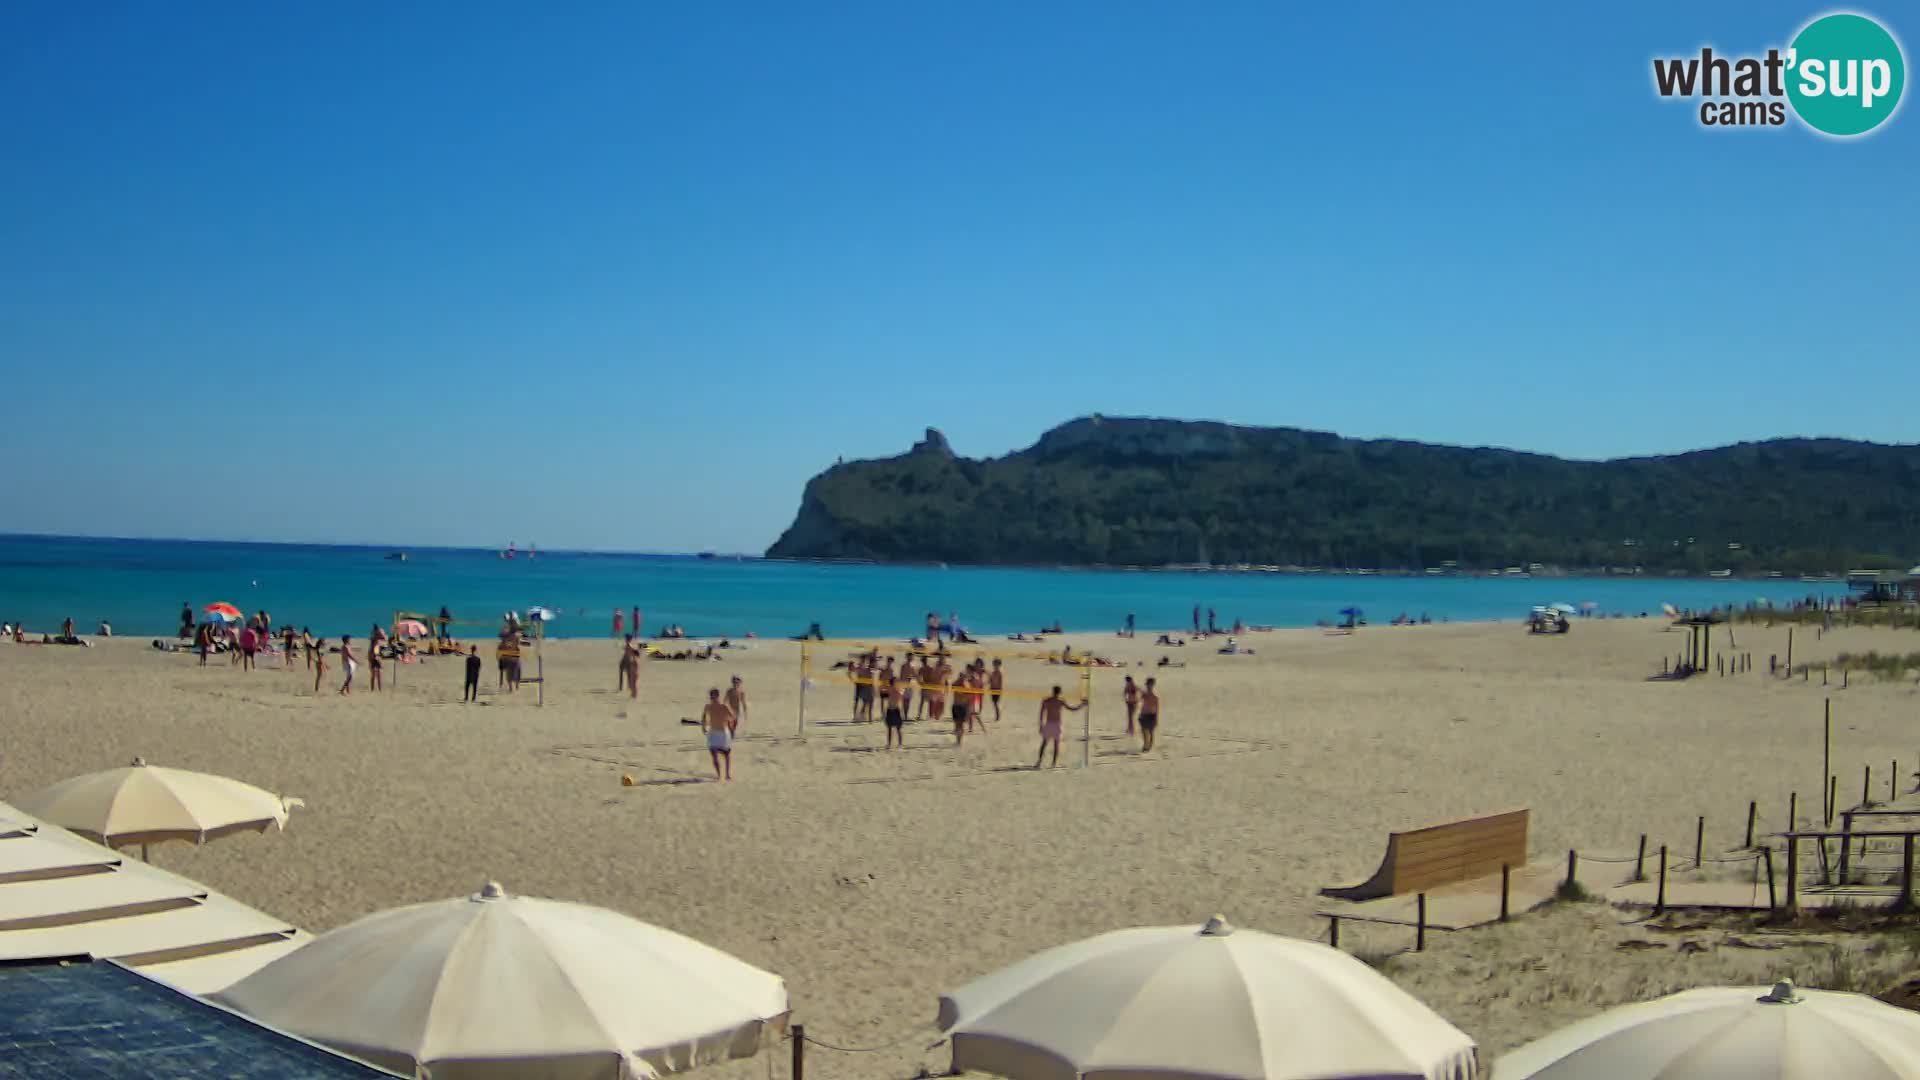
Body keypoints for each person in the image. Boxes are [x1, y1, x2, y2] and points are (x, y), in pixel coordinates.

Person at [1036, 685, 1086, 769]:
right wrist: (1082, 705)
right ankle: (1053, 763)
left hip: (1049, 724)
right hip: (1056, 724)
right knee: (1055, 745)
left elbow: (1041, 713)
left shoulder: (1047, 701)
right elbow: (1072, 709)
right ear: (1059, 692)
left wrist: (1041, 725)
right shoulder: (1060, 701)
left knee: (1044, 743)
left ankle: (1040, 761)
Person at [701, 688, 737, 781]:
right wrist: (703, 727)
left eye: (714, 696)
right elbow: (704, 717)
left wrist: (731, 729)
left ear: (717, 696)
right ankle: (719, 775)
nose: (712, 698)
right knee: (714, 754)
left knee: (726, 754)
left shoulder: (724, 706)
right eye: (711, 697)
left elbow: (732, 718)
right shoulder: (707, 706)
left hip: (723, 733)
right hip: (713, 733)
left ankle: (727, 774)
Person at [882, 675, 906, 749]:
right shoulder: (892, 689)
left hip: (895, 710)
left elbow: (900, 697)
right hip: (891, 710)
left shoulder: (897, 690)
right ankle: (891, 744)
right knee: (891, 728)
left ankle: (899, 744)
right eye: (895, 682)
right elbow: (883, 695)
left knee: (897, 728)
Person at [1139, 677, 1162, 752]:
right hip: (1144, 714)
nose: (1148, 686)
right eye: (1147, 685)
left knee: (1150, 731)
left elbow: (1157, 708)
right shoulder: (1145, 694)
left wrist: (1156, 718)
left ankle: (1148, 746)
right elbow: (1141, 702)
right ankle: (1146, 745)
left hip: (1151, 715)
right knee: (1144, 731)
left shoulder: (1155, 697)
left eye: (1149, 685)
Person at [988, 658, 1005, 722]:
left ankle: (998, 715)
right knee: (994, 703)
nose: (995, 666)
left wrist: (1000, 690)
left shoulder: (999, 673)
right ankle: (997, 715)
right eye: (994, 664)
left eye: (997, 664)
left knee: (996, 703)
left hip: (997, 690)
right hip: (993, 689)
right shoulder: (992, 673)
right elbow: (990, 681)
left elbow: (1000, 682)